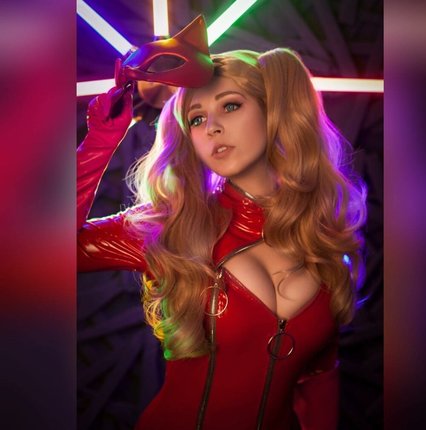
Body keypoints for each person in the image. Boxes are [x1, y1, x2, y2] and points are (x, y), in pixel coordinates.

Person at [78, 47, 366, 430]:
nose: (211, 127)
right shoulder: (168, 229)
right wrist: (100, 141)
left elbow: (319, 384)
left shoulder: (326, 248)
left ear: (272, 110)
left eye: (230, 106)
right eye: (196, 118)